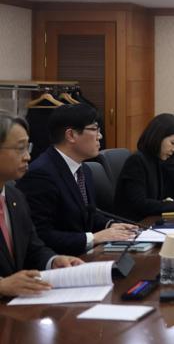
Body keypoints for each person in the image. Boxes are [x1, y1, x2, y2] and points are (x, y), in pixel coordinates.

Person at [17, 104, 137, 256]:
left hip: (83, 255)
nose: (100, 136)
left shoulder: (83, 170)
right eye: (94, 129)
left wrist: (111, 225)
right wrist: (93, 238)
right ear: (71, 135)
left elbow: (87, 215)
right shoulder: (41, 174)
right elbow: (41, 235)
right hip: (60, 261)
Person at [0, 113, 83, 297]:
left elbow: (33, 248)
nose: (28, 156)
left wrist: (53, 261)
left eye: (27, 147)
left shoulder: (15, 195)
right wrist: (2, 286)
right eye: (20, 148)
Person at [114, 114, 174, 221]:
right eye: (172, 143)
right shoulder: (137, 161)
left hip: (151, 219)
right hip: (133, 224)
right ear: (158, 137)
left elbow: (158, 197)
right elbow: (139, 204)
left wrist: (167, 201)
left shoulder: (157, 160)